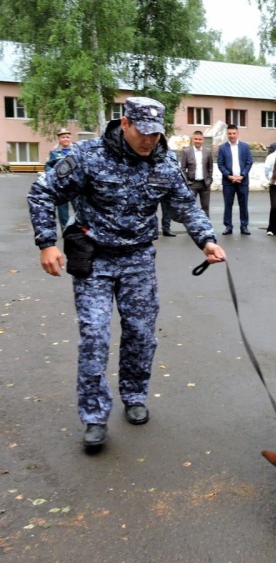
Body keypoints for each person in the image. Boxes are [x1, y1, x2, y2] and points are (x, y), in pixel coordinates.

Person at [27, 96, 227, 449]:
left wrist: (206, 240)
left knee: (140, 333)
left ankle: (134, 395)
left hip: (138, 260)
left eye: (155, 134)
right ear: (125, 124)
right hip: (95, 260)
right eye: (143, 133)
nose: (149, 141)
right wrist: (46, 242)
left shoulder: (163, 164)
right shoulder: (89, 156)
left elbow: (185, 207)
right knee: (95, 337)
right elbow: (43, 192)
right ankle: (94, 417)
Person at [217, 124, 253, 235]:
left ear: (237, 133)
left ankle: (244, 226)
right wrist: (229, 175)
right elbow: (220, 164)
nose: (232, 136)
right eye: (229, 133)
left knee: (243, 205)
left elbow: (249, 162)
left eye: (234, 133)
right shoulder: (222, 148)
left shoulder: (245, 146)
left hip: (243, 181)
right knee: (228, 205)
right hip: (228, 182)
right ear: (227, 134)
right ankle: (228, 226)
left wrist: (242, 175)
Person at [45, 127, 76, 231]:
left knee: (79, 208)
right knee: (63, 210)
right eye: (63, 137)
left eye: (67, 137)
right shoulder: (54, 153)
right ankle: (65, 230)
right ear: (59, 139)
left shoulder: (76, 150)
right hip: (61, 186)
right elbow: (48, 167)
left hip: (75, 184)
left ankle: (80, 230)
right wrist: (53, 176)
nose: (65, 139)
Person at [179, 130, 214, 217]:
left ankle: (206, 228)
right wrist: (187, 182)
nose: (198, 141)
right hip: (192, 184)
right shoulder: (186, 152)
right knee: (190, 207)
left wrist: (209, 180)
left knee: (205, 207)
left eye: (199, 139)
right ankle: (192, 228)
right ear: (192, 139)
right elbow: (182, 169)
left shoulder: (207, 152)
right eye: (196, 139)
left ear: (203, 140)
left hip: (205, 184)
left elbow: (210, 168)